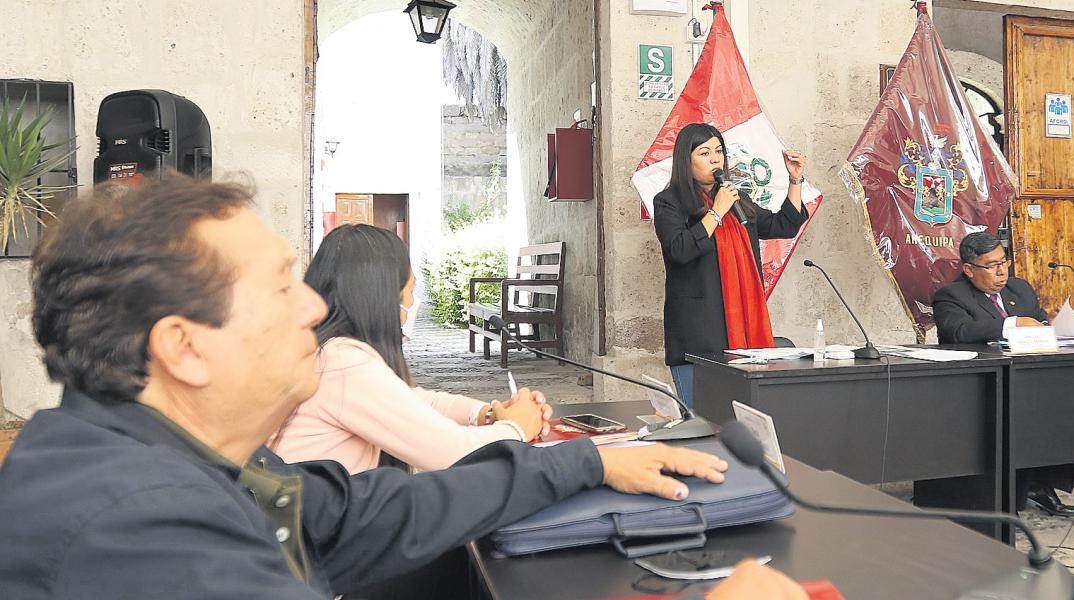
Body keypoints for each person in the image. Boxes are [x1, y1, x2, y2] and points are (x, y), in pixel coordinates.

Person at [0, 175, 735, 599]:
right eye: (280, 287)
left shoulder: (197, 466)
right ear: (183, 348)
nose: (312, 307)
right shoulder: (139, 535)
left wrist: (586, 461)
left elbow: (374, 509)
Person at [268, 224, 548, 474]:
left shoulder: (323, 350)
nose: (413, 305)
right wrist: (517, 427)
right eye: (411, 292)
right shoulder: (343, 363)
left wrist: (486, 413)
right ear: (382, 298)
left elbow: (412, 400)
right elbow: (451, 452)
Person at [653, 123, 809, 407]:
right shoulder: (669, 202)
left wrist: (795, 180)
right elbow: (680, 250)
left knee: (738, 419)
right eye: (704, 153)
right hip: (698, 334)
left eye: (719, 151)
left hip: (741, 330)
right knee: (700, 420)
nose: (715, 159)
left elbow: (782, 225)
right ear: (685, 160)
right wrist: (717, 211)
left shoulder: (736, 199)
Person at [932, 232, 1074, 518]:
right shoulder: (951, 296)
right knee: (1016, 418)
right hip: (980, 389)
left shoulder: (1019, 289)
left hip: (1027, 379)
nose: (1001, 271)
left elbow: (1037, 320)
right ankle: (1009, 494)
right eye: (991, 266)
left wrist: (1049, 324)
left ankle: (1040, 484)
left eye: (1004, 262)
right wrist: (1013, 324)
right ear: (969, 269)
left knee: (1066, 407)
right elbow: (959, 331)